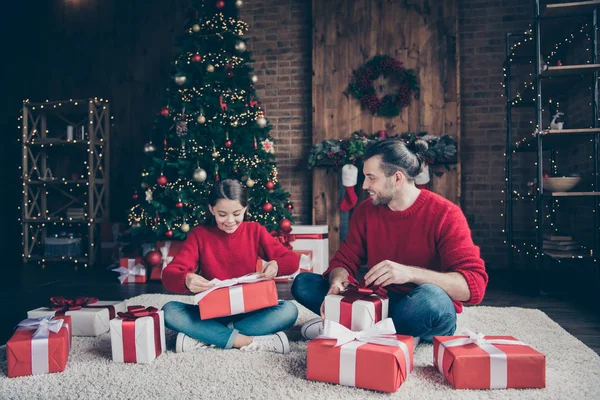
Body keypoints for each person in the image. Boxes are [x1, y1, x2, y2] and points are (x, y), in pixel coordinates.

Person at [292, 139, 488, 344]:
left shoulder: (446, 214)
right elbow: (345, 259)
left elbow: (473, 285)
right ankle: (379, 329)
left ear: (397, 178)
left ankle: (357, 327)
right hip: (379, 303)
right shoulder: (366, 210)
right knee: (304, 284)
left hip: (421, 307)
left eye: (371, 178)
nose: (365, 185)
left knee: (431, 299)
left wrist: (409, 273)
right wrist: (337, 280)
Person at [162, 179, 299, 354]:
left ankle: (208, 337)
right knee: (169, 311)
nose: (230, 221)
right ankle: (244, 340)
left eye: (236, 213)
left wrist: (277, 265)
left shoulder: (254, 231)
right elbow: (169, 275)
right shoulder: (200, 235)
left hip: (251, 311)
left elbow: (291, 261)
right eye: (222, 214)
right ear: (211, 209)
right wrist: (186, 279)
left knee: (289, 310)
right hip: (212, 313)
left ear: (245, 209)